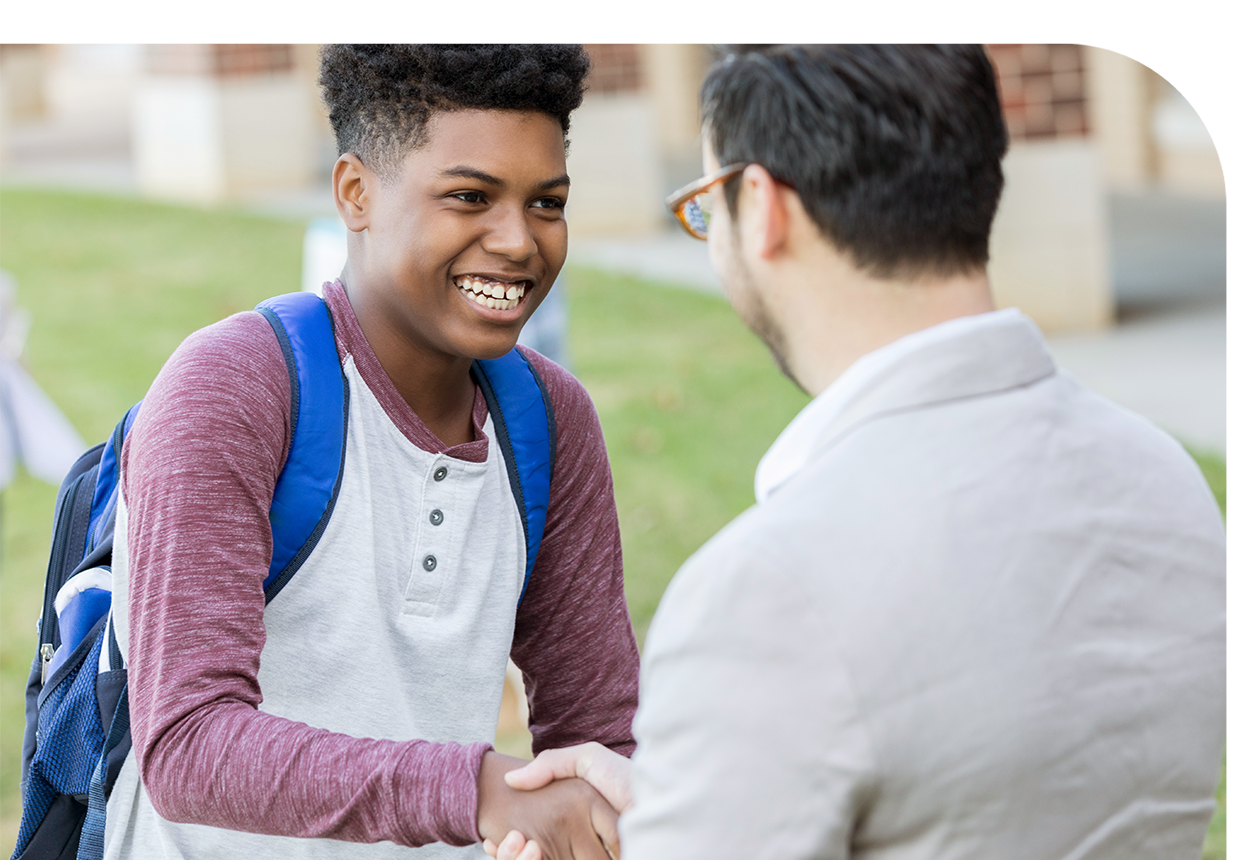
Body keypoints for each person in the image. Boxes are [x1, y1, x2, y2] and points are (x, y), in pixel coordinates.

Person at [489, 43, 1230, 860]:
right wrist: (688, 807)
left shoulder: (769, 592)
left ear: (763, 207)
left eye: (706, 205)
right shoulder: (1167, 482)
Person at [107, 44, 638, 860]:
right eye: (470, 196)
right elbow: (187, 745)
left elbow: (601, 734)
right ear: (356, 192)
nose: (519, 242)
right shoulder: (238, 386)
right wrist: (478, 791)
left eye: (547, 203)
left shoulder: (550, 421)